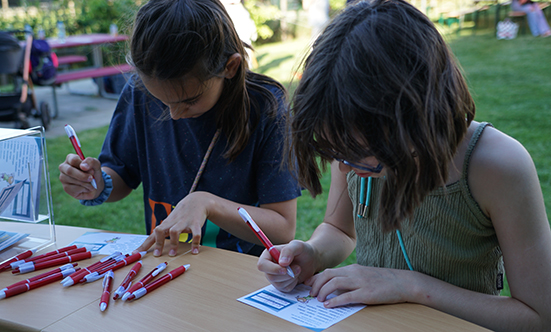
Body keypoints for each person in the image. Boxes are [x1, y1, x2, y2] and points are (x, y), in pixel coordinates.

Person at [257, 0, 551, 331]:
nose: (344, 169)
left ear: (413, 115)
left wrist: (411, 287)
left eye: (356, 153)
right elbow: (339, 230)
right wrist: (313, 253)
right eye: (339, 154)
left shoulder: (496, 166)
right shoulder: (355, 155)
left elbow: (538, 316)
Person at [58, 0, 301, 258]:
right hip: (167, 264)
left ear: (230, 67)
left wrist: (208, 203)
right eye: (162, 101)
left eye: (189, 100)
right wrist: (96, 183)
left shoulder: (268, 108)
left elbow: (282, 228)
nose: (173, 114)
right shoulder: (140, 92)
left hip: (239, 273)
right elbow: (121, 176)